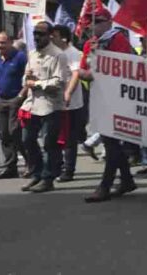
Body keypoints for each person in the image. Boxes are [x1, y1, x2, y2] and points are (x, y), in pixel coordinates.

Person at [79, 11, 139, 203]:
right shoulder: (89, 45)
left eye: (98, 22)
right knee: (110, 141)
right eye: (90, 22)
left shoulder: (118, 39)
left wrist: (99, 60)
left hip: (118, 97)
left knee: (111, 142)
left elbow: (124, 67)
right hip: (99, 98)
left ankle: (105, 186)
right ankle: (127, 179)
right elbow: (82, 70)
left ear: (109, 23)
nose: (92, 26)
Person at [21, 21, 68, 193]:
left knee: (50, 143)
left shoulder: (58, 55)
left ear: (50, 35)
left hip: (51, 105)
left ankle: (48, 178)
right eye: (35, 33)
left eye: (41, 33)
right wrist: (27, 79)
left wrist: (38, 83)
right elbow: (25, 80)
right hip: (32, 105)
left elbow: (59, 81)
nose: (37, 37)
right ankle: (36, 173)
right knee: (27, 139)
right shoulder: (32, 54)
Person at [0, 31, 26, 179]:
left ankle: (30, 163)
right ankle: (11, 167)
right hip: (1, 100)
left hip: (16, 100)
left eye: (3, 42)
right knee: (5, 135)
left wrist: (21, 96)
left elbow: (28, 78)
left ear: (10, 42)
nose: (0, 46)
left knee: (15, 132)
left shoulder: (20, 57)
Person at [51, 25, 86, 183]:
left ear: (64, 38)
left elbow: (76, 73)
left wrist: (68, 93)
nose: (52, 39)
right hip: (54, 102)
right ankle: (56, 167)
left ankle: (68, 170)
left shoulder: (73, 53)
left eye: (55, 36)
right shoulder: (54, 53)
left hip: (70, 104)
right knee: (55, 137)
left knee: (69, 138)